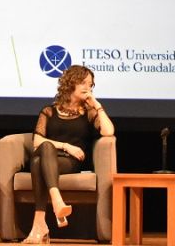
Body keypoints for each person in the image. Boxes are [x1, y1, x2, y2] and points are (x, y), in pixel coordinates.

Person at [23, 64, 115, 244]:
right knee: (45, 150)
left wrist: (97, 105)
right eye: (83, 83)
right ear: (71, 83)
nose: (88, 88)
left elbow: (108, 131)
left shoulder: (88, 113)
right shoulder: (49, 111)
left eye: (90, 84)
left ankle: (39, 226)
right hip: (49, 156)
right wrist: (66, 145)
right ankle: (57, 204)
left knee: (37, 162)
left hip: (69, 163)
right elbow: (37, 141)